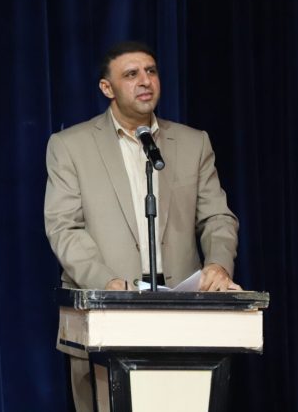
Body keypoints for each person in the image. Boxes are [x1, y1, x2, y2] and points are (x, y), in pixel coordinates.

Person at [43, 41, 240, 412]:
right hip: (106, 318)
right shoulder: (70, 146)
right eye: (131, 74)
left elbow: (217, 217)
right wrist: (105, 282)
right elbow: (63, 227)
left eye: (151, 71)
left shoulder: (194, 143)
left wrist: (218, 264)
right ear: (107, 88)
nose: (145, 81)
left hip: (185, 320)